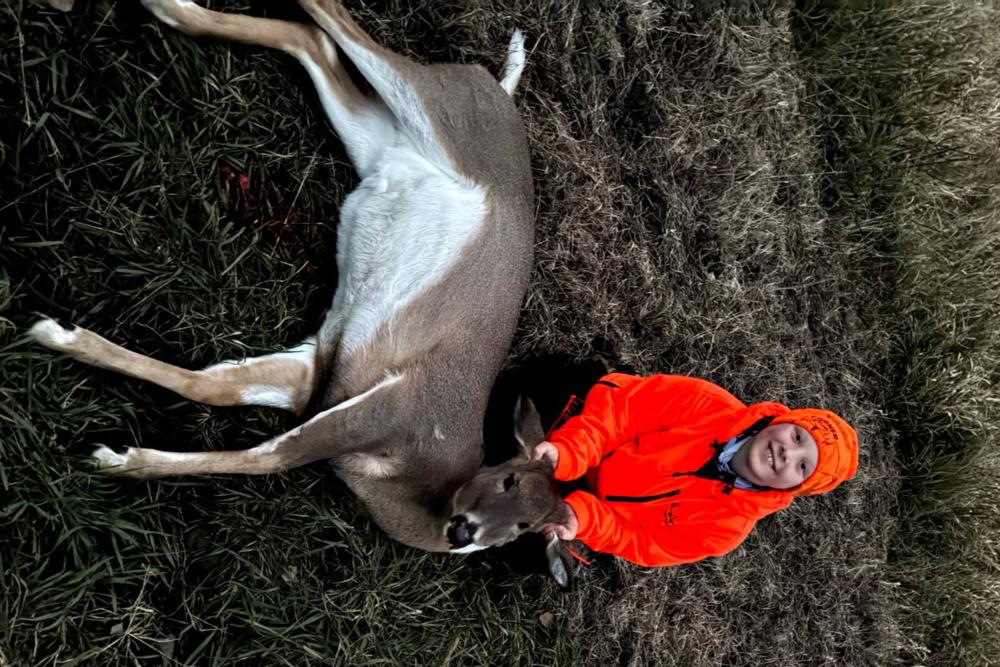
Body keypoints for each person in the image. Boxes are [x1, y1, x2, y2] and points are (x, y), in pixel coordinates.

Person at [532, 373, 859, 567]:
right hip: (592, 435)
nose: (787, 452)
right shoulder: (708, 403)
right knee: (534, 410)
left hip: (599, 507)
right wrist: (570, 453)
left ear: (794, 488)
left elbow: (640, 542)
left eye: (802, 466)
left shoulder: (724, 532)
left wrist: (583, 518)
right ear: (782, 421)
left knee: (535, 544)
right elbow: (618, 417)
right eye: (797, 436)